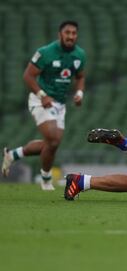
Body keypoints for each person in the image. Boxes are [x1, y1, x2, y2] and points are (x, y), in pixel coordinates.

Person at [1, 20, 86, 190]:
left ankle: (12, 154)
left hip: (60, 104)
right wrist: (42, 95)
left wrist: (79, 93)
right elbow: (28, 76)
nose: (70, 36)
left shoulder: (80, 54)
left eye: (74, 33)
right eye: (67, 32)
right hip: (40, 100)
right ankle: (46, 179)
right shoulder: (46, 52)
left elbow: (80, 76)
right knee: (53, 141)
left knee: (51, 144)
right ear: (60, 34)